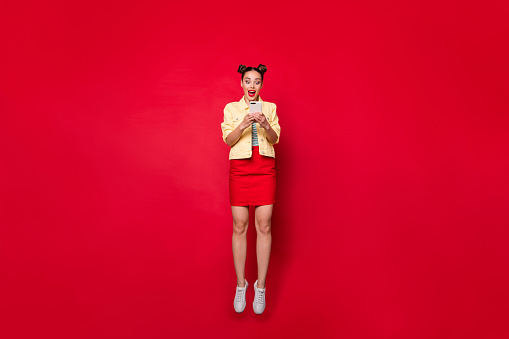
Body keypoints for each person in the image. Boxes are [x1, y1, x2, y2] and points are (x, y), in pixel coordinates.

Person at [220, 64, 281, 314]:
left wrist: (266, 125)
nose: (252, 85)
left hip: (264, 168)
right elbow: (228, 140)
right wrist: (244, 122)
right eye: (248, 81)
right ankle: (240, 285)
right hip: (241, 170)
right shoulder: (231, 109)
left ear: (262, 85)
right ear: (242, 84)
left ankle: (261, 287)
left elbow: (275, 138)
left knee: (264, 225)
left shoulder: (271, 108)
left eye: (257, 81)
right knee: (239, 225)